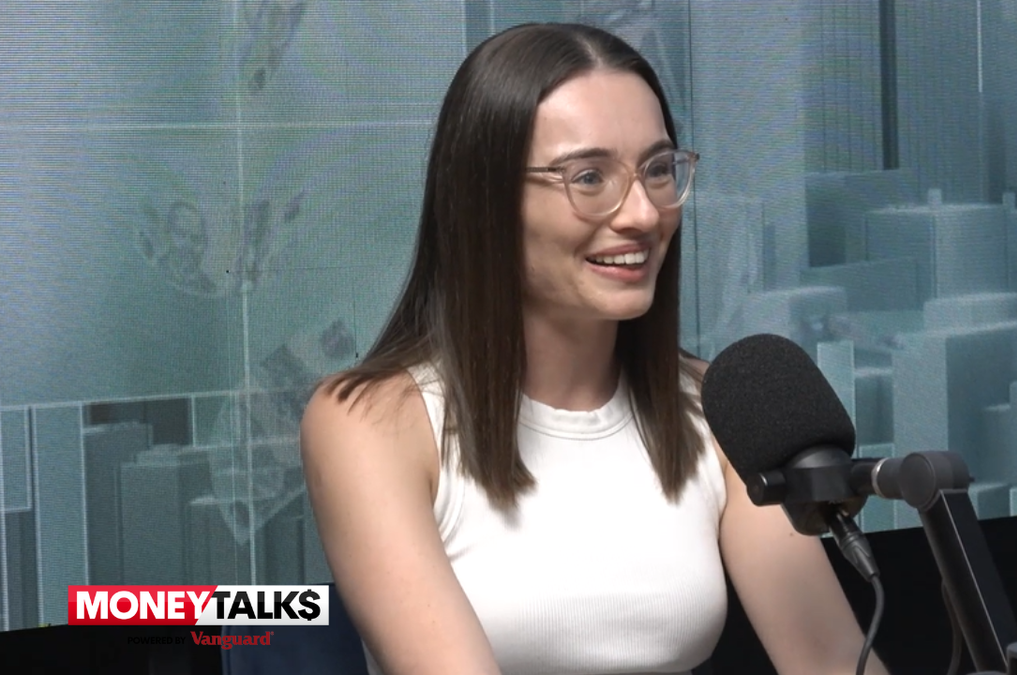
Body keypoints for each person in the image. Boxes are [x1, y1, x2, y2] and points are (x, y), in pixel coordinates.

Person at [300, 22, 890, 675]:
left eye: (658, 170)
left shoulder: (716, 411)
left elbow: (832, 660)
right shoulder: (371, 422)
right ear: (485, 199)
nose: (642, 214)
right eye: (588, 177)